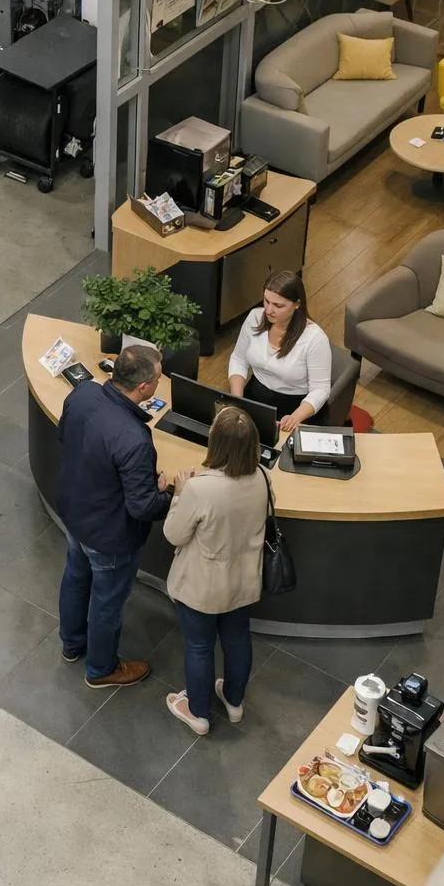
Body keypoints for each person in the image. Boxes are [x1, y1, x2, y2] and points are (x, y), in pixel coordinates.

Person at [55, 344, 173, 689]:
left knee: (76, 578)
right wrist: (167, 494)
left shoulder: (83, 393)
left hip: (76, 513)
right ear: (144, 388)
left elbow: (66, 437)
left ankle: (72, 643)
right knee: (106, 603)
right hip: (110, 535)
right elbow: (142, 507)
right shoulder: (135, 439)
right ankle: (101, 668)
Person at [161, 406, 268, 735]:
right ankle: (234, 702)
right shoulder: (262, 476)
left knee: (199, 647)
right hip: (244, 581)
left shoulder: (200, 489)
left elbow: (173, 534)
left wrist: (179, 494)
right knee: (237, 640)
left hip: (202, 587)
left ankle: (198, 713)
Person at [228, 270, 332, 433]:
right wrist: (237, 400)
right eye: (266, 301)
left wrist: (295, 417)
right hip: (256, 396)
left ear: (297, 304)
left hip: (297, 407)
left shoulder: (315, 338)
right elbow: (239, 359)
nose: (269, 310)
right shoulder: (255, 317)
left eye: (278, 305)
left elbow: (321, 389)